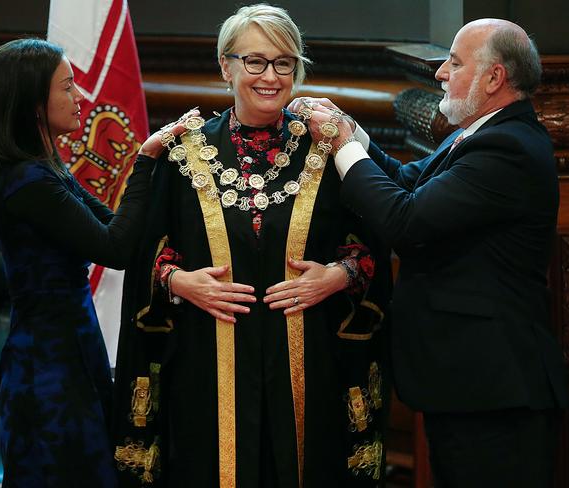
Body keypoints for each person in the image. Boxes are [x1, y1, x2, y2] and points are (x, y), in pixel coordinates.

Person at [112, 4, 392, 487]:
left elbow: (376, 240)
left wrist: (338, 276)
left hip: (312, 364)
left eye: (284, 62)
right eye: (254, 61)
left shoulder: (329, 150)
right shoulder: (183, 151)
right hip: (207, 361)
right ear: (226, 65)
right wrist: (179, 281)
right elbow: (144, 252)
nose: (270, 76)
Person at [291, 18, 569, 488]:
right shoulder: (479, 132)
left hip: (495, 392)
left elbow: (407, 221)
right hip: (467, 384)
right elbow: (404, 182)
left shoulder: (509, 148)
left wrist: (339, 142)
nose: (441, 72)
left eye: (455, 62)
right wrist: (353, 132)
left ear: (494, 77)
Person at [0, 38, 190, 487]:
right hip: (47, 372)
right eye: (68, 87)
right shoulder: (26, 180)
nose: (80, 99)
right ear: (34, 103)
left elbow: (115, 224)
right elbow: (115, 248)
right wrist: (145, 159)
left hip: (72, 353)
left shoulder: (47, 167)